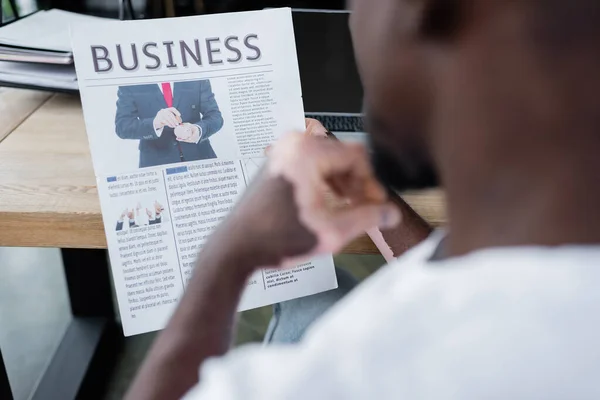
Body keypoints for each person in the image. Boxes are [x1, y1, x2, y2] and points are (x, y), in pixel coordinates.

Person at [127, 0, 600, 398]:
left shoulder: (346, 375)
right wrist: (375, 204)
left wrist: (223, 261)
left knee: (311, 299)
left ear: (421, 9)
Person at [115, 80, 224, 168]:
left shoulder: (195, 76)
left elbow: (215, 116)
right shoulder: (130, 83)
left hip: (201, 158)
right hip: (156, 164)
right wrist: (155, 123)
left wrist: (198, 130)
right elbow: (122, 126)